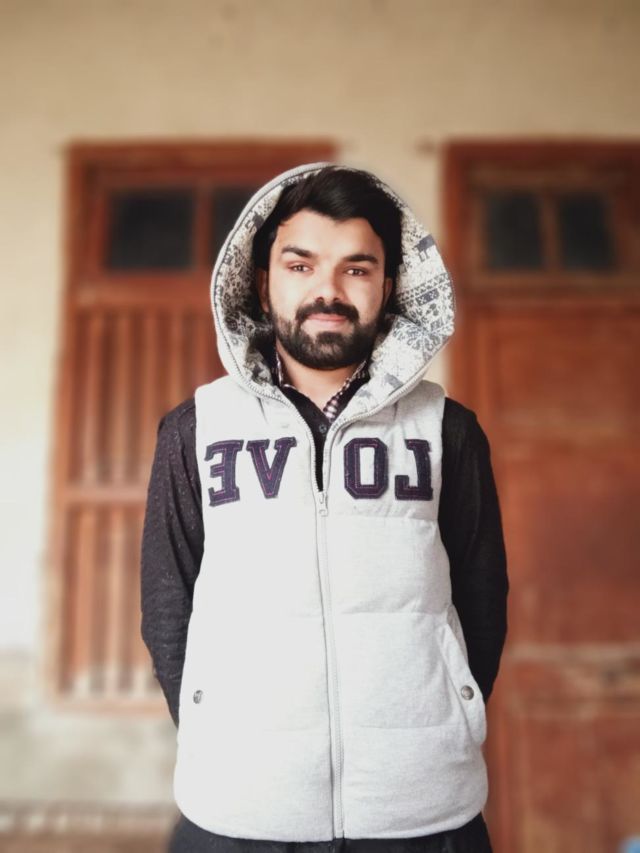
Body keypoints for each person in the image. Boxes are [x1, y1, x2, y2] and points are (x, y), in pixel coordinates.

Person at [140, 163, 509, 853]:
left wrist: (448, 716)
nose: (328, 291)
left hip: (420, 810)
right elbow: (167, 605)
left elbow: (482, 602)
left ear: (388, 286)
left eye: (356, 269)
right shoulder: (196, 429)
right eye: (301, 265)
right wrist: (219, 728)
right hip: (239, 808)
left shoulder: (447, 430)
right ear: (262, 282)